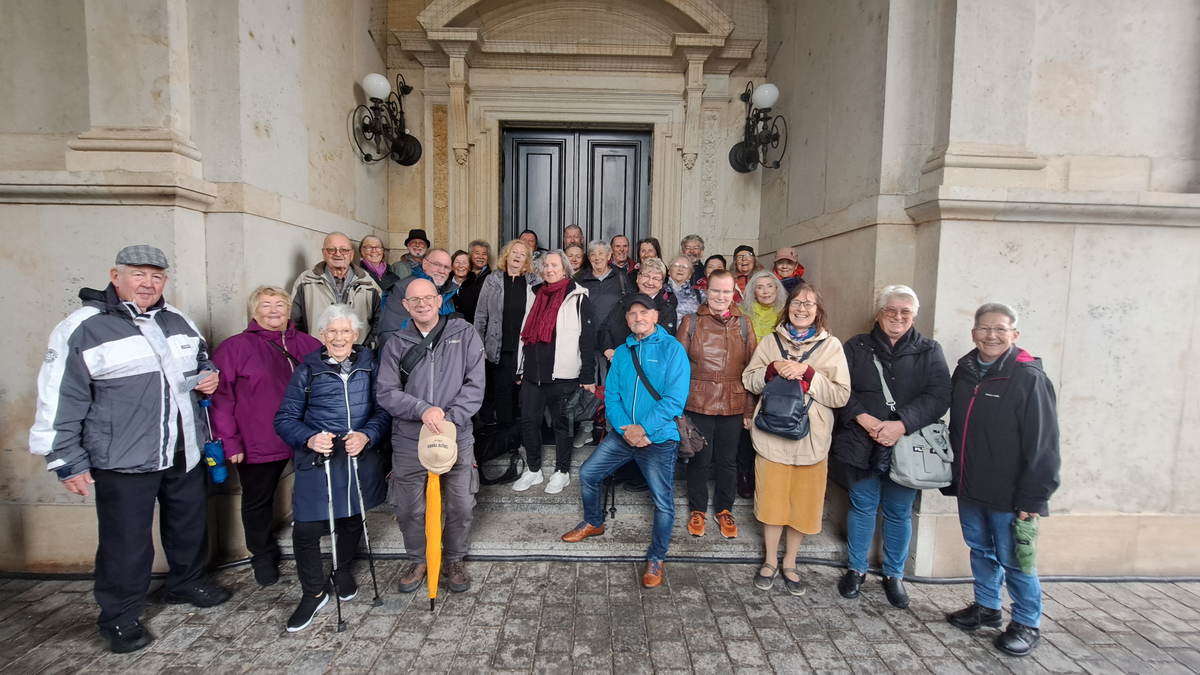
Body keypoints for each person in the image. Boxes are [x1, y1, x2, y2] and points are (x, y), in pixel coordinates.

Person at [30, 245, 232, 653]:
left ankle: (186, 581)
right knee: (126, 541)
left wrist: (208, 375)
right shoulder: (84, 326)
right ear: (115, 275)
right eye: (138, 274)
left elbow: (202, 361)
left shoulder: (178, 321)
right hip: (123, 456)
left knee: (188, 524)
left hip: (182, 447)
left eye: (156, 276)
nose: (148, 283)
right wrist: (66, 459)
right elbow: (59, 395)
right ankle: (120, 617)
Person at [943, 303, 1060, 658]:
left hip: (1011, 494)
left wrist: (1034, 499)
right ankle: (987, 607)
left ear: (1014, 335)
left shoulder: (1028, 378)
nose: (991, 335)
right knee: (980, 550)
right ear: (973, 332)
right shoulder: (964, 371)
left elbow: (1044, 444)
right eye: (984, 329)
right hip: (971, 485)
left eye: (1000, 329)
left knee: (1015, 560)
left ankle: (1026, 622)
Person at [830, 285, 951, 609]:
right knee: (863, 505)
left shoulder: (929, 350)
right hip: (861, 440)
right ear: (879, 313)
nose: (897, 317)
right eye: (891, 310)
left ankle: (893, 574)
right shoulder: (856, 347)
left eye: (905, 312)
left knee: (899, 511)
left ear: (914, 315)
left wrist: (901, 424)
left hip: (906, 444)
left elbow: (939, 395)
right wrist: (864, 419)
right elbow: (841, 390)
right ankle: (856, 569)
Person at [274, 305, 390, 632]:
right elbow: (284, 419)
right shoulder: (306, 370)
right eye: (332, 332)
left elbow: (384, 412)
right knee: (307, 530)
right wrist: (309, 438)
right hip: (319, 459)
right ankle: (313, 592)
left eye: (345, 332)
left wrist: (367, 435)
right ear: (322, 336)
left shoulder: (371, 366)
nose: (339, 337)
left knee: (352, 518)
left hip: (355, 457)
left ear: (356, 335)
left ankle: (341, 571)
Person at [561, 293, 690, 588]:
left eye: (644, 312)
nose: (637, 318)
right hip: (623, 436)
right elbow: (613, 395)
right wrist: (625, 429)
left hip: (657, 439)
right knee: (589, 473)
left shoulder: (673, 350)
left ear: (656, 316)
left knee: (664, 502)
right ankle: (594, 521)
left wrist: (642, 430)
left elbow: (674, 401)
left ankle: (657, 556)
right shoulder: (622, 352)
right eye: (632, 313)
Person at [376, 279, 487, 596]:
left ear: (439, 301)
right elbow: (386, 392)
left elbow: (475, 384)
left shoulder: (463, 334)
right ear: (407, 306)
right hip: (410, 438)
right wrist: (422, 410)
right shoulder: (396, 342)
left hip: (456, 435)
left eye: (428, 298)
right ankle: (418, 559)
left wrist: (449, 419)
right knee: (410, 507)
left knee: (460, 504)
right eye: (415, 300)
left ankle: (453, 559)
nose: (422, 304)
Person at [742, 282, 850, 595]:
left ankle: (790, 561)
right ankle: (769, 561)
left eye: (809, 304)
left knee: (803, 504)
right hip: (772, 434)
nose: (801, 309)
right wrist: (772, 369)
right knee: (772, 500)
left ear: (818, 312)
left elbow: (841, 395)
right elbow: (749, 378)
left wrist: (810, 375)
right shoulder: (771, 341)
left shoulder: (831, 347)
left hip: (811, 438)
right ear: (787, 307)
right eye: (797, 303)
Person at [211, 286, 322, 587]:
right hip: (259, 437)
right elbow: (222, 399)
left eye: (280, 305)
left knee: (311, 495)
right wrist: (229, 441)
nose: (274, 311)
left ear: (289, 310)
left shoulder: (309, 344)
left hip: (306, 435)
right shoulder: (234, 348)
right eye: (266, 305)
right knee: (258, 500)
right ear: (254, 311)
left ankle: (310, 548)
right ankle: (261, 554)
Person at [676, 270, 757, 539]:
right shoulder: (691, 322)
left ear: (734, 292)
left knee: (727, 460)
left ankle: (724, 509)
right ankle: (697, 509)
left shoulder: (744, 324)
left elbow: (752, 369)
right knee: (699, 459)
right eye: (716, 291)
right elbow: (678, 366)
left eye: (726, 291)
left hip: (733, 401)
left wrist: (748, 409)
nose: (721, 296)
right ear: (706, 291)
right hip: (698, 400)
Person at [511, 251, 597, 494]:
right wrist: (520, 367)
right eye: (545, 265)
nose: (549, 269)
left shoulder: (578, 296)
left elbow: (587, 339)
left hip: (563, 373)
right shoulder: (535, 293)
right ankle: (534, 470)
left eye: (554, 265)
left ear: (565, 268)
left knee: (563, 425)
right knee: (529, 422)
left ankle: (562, 472)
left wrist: (587, 375)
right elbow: (524, 333)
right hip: (532, 372)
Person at [474, 240, 536, 446]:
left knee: (526, 394)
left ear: (527, 259)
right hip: (498, 347)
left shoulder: (534, 282)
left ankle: (524, 437)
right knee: (502, 393)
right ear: (506, 256)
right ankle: (505, 439)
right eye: (514, 252)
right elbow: (481, 315)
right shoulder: (493, 280)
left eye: (523, 254)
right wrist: (479, 344)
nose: (518, 256)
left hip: (526, 348)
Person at [290, 232, 382, 344]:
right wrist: (306, 348)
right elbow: (294, 322)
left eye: (344, 250)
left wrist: (366, 350)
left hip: (357, 355)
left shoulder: (369, 283)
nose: (338, 254)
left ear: (352, 254)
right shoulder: (305, 281)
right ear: (324, 253)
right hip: (316, 354)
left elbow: (380, 322)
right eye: (331, 250)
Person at [375, 248, 459, 343]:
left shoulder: (447, 291)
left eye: (446, 267)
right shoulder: (403, 288)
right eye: (437, 264)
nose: (442, 271)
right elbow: (391, 333)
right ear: (425, 264)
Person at [575, 241, 631, 379]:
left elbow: (629, 307)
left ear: (609, 256)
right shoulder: (580, 279)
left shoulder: (621, 277)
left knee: (613, 384)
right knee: (588, 385)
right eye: (593, 254)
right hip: (587, 340)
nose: (597, 257)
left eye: (601, 253)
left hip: (615, 342)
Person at [601, 257, 677, 358]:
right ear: (637, 278)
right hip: (617, 362)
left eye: (656, 278)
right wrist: (608, 349)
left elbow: (663, 342)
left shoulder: (666, 309)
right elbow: (605, 328)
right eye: (646, 276)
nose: (650, 282)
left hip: (648, 366)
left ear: (661, 284)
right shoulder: (624, 301)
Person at [359, 235, 407, 305]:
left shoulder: (394, 277)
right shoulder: (357, 275)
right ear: (361, 251)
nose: (374, 250)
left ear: (382, 251)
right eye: (369, 247)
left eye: (378, 247)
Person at [454, 239, 492, 323]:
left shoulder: (492, 278)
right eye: (477, 253)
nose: (481, 257)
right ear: (470, 256)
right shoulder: (461, 274)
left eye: (484, 254)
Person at [743, 271, 786, 340]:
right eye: (760, 287)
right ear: (753, 291)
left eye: (770, 286)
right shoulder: (742, 312)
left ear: (776, 288)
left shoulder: (786, 312)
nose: (766, 291)